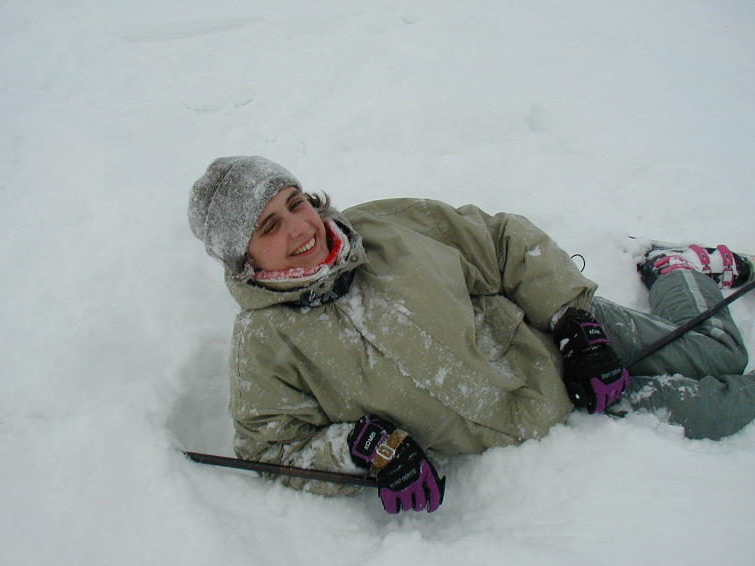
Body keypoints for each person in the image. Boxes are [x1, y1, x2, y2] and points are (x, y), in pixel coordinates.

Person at [187, 155, 755, 514]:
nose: (300, 228)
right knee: (730, 407)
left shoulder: (384, 226)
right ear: (243, 258)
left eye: (296, 203)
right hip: (570, 411)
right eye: (270, 226)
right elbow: (273, 447)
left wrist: (574, 322)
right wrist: (359, 449)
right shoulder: (262, 343)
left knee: (721, 353)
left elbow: (503, 241)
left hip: (561, 333)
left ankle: (673, 268)